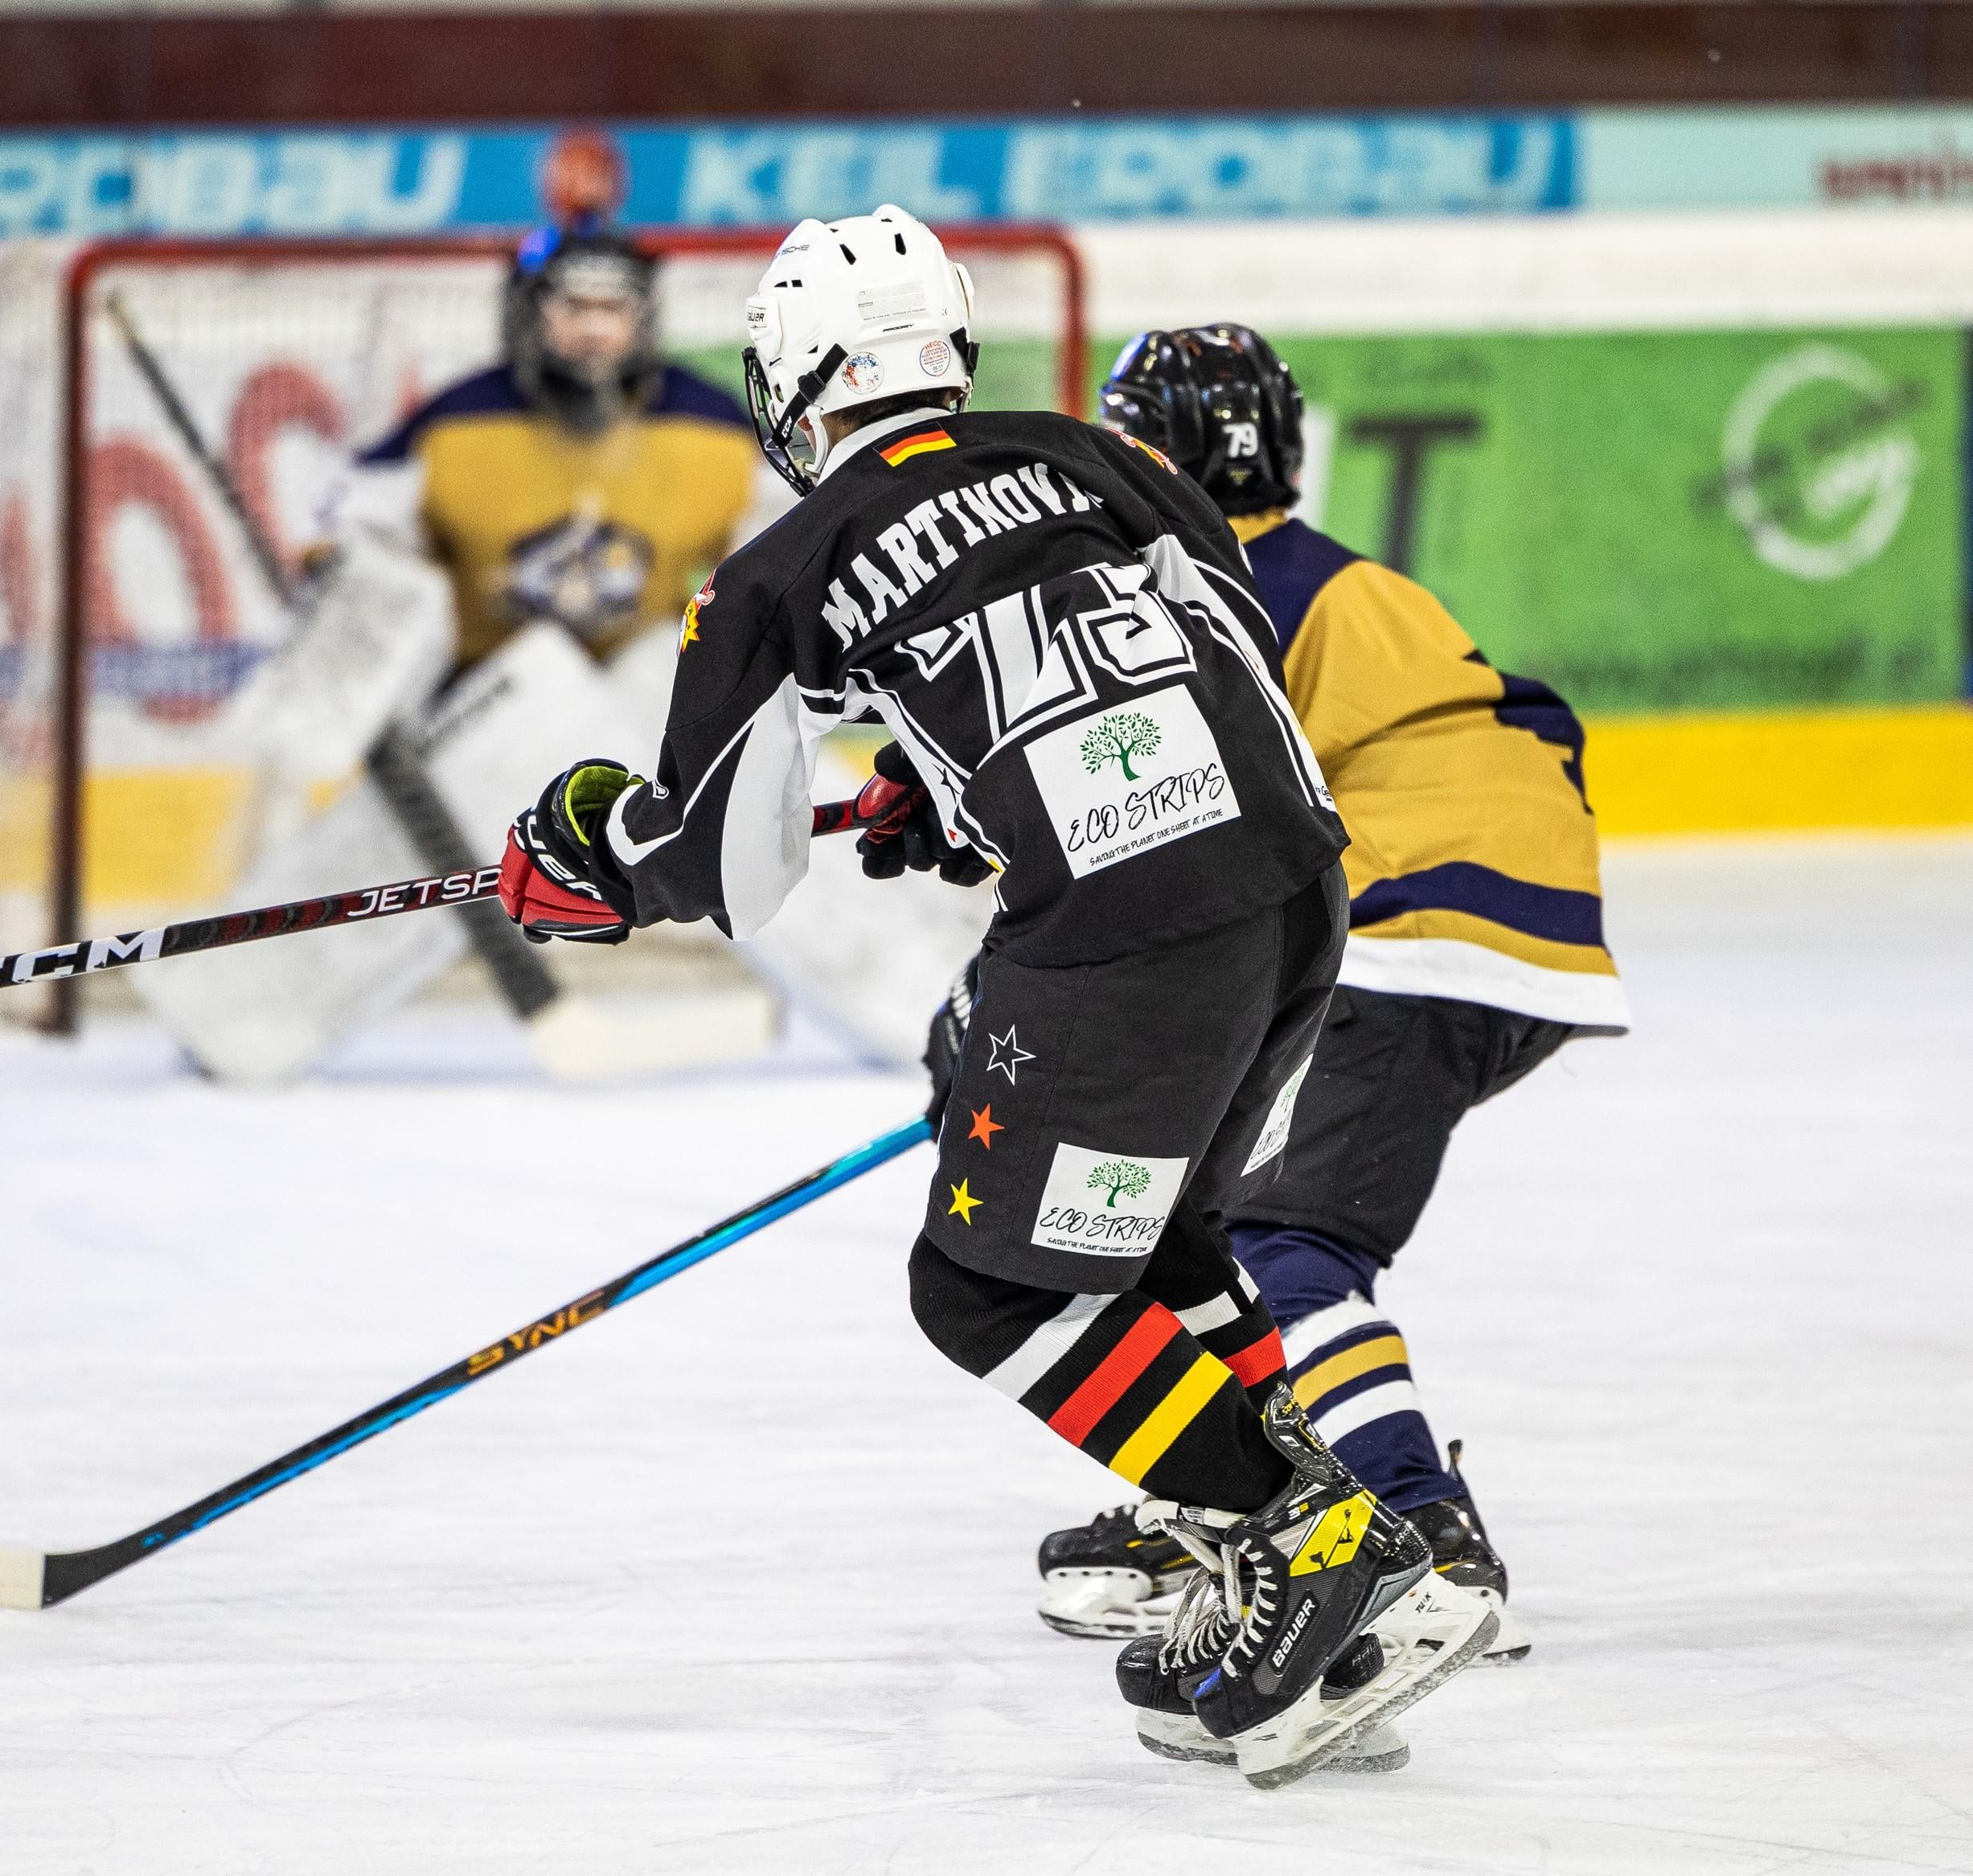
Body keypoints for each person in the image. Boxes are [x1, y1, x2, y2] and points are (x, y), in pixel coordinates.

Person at [492, 208, 1498, 1784]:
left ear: (790, 380)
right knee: (1158, 1243)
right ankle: (1335, 1551)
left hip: (1126, 938)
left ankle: (1312, 1538)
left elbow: (712, 865)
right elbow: (1204, 650)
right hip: (1293, 892)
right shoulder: (1099, 458)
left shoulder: (784, 568)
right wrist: (958, 786)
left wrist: (583, 853)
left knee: (991, 1285)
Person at [1031, 326, 1629, 1662]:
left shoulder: (1190, 588)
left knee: (1281, 1247)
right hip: (1519, 933)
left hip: (1399, 928)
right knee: (1204, 1216)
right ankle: (1233, 1492)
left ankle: (1417, 1528)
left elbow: (1175, 826)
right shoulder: (1349, 582)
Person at [351, 220, 771, 674]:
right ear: (528, 311)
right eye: (573, 307)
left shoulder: (715, 427)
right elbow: (353, 548)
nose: (594, 330)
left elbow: (770, 580)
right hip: (481, 691)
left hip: (647, 693)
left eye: (612, 308)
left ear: (643, 314)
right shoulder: (452, 425)